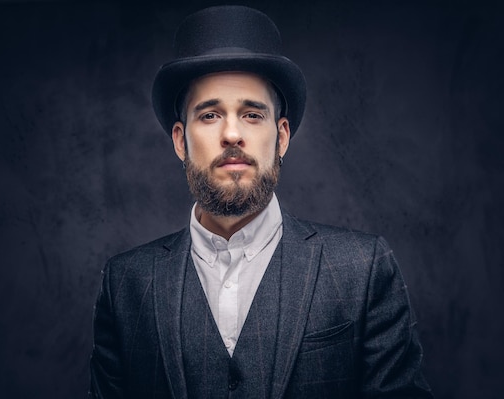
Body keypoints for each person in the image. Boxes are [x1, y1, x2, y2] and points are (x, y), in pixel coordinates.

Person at [89, 5, 433, 398]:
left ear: (282, 136)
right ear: (180, 140)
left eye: (252, 114)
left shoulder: (363, 269)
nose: (232, 134)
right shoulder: (126, 283)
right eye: (210, 115)